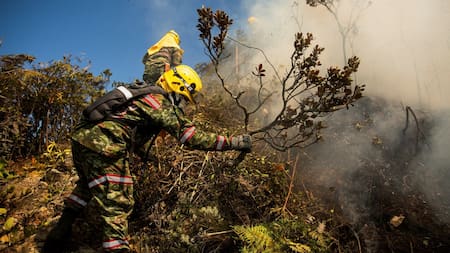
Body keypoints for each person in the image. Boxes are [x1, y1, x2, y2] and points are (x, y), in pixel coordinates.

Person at [42, 64, 252, 252]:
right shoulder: (158, 100)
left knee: (87, 186)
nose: (181, 104)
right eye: (182, 98)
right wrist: (233, 143)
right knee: (118, 201)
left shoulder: (140, 95)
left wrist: (149, 158)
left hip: (82, 140)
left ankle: (57, 236)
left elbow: (128, 130)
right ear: (176, 87)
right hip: (105, 143)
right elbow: (190, 137)